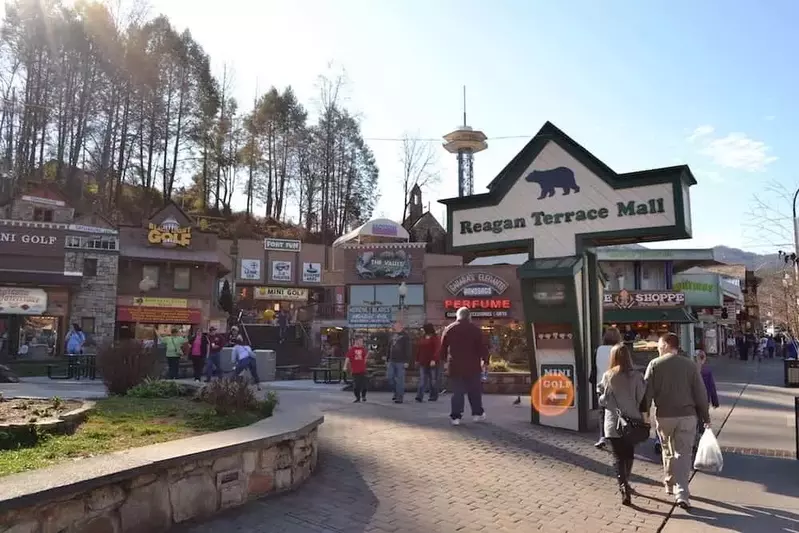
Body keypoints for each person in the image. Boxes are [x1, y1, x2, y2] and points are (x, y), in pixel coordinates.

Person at [643, 332, 711, 509]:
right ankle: (682, 492)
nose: (658, 348)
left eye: (659, 345)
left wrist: (645, 415)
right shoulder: (689, 365)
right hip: (688, 416)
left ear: (666, 344)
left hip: (665, 416)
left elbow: (647, 393)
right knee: (684, 454)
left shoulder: (654, 365)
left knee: (668, 450)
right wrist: (705, 417)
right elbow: (701, 394)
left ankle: (669, 482)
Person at [597, 343, 646, 505]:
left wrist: (602, 396)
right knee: (629, 454)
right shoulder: (637, 376)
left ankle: (623, 486)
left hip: (613, 423)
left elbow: (604, 401)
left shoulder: (608, 376)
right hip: (632, 422)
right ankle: (627, 482)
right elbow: (641, 398)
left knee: (618, 457)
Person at [438, 307, 489, 426]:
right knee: (474, 391)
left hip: (455, 365)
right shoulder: (475, 330)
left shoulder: (449, 329)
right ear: (469, 316)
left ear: (457, 316)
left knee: (457, 392)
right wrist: (485, 361)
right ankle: (477, 414)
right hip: (472, 365)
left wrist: (444, 361)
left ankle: (456, 417)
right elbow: (482, 347)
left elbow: (443, 348)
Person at [593, 327, 622, 449]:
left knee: (603, 412)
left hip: (602, 384)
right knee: (619, 411)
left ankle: (603, 436)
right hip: (618, 385)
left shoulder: (598, 350)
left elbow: (595, 368)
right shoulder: (620, 350)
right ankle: (617, 436)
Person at [387, 321, 412, 403]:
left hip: (401, 361)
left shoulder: (405, 336)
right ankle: (396, 392)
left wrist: (407, 361)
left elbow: (408, 349)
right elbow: (389, 347)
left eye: (396, 325)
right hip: (392, 360)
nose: (395, 327)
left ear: (401, 327)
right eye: (394, 325)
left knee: (400, 380)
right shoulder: (392, 335)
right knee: (390, 377)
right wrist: (387, 358)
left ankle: (399, 396)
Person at [415, 323, 441, 402]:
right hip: (423, 362)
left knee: (433, 380)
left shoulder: (435, 338)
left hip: (432, 362)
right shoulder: (422, 338)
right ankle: (419, 396)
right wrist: (417, 359)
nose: (422, 330)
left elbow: (438, 349)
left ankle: (433, 396)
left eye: (424, 328)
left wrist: (434, 359)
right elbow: (419, 349)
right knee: (422, 379)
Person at [344, 337, 369, 403]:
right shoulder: (352, 349)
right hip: (355, 370)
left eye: (362, 341)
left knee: (364, 385)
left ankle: (363, 396)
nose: (362, 343)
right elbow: (347, 358)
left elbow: (365, 356)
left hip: (363, 369)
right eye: (361, 341)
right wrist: (345, 366)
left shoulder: (363, 349)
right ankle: (357, 398)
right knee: (356, 386)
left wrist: (365, 362)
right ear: (356, 341)